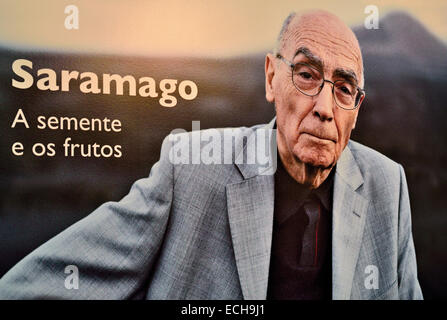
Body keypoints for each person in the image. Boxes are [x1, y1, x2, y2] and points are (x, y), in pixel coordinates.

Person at [0, 10, 422, 300]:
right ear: (272, 78)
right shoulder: (190, 169)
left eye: (344, 88)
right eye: (307, 75)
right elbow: (41, 283)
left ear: (357, 109)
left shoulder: (388, 186)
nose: (326, 108)